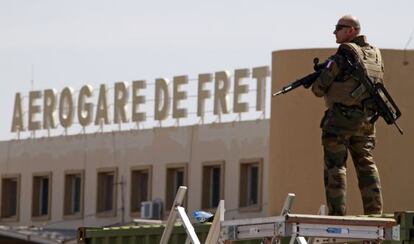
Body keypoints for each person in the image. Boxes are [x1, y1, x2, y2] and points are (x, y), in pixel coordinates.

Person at [311, 15, 384, 216]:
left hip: (340, 121)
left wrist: (319, 79)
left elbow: (318, 89)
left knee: (335, 167)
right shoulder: (374, 56)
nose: (334, 32)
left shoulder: (341, 57)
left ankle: (337, 216)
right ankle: (375, 213)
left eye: (338, 28)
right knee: (366, 164)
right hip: (367, 121)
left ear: (351, 30)